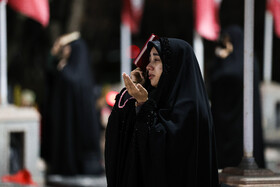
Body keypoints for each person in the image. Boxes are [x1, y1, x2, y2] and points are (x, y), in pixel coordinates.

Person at [105, 37, 219, 186]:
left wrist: (144, 106)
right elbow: (123, 133)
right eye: (149, 60)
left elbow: (167, 157)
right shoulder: (155, 98)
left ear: (174, 66)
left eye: (156, 60)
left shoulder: (191, 108)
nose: (148, 66)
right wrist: (135, 92)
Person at [41, 32, 104, 175]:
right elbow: (50, 71)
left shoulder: (71, 73)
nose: (66, 50)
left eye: (69, 48)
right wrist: (54, 52)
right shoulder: (73, 71)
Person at [208, 25, 265, 169]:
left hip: (242, 119)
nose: (226, 45)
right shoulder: (228, 60)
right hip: (226, 123)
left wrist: (221, 59)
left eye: (228, 41)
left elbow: (229, 76)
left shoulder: (246, 61)